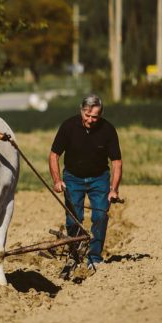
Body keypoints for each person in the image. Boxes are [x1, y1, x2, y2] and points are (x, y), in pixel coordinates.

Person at [48, 94, 122, 273]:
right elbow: (54, 155)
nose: (90, 120)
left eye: (94, 116)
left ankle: (94, 257)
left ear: (101, 114)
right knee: (73, 220)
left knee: (100, 216)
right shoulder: (68, 126)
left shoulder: (108, 130)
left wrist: (114, 189)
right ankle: (75, 255)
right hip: (73, 178)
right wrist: (57, 181)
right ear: (81, 111)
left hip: (99, 179)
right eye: (87, 115)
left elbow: (116, 162)